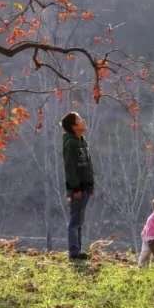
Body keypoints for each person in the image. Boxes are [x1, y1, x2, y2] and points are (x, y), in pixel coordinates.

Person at [61, 111, 95, 260]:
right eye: (79, 119)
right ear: (74, 126)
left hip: (85, 187)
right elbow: (70, 168)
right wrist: (75, 188)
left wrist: (90, 185)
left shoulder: (82, 141)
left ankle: (78, 250)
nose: (83, 121)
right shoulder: (71, 143)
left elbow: (88, 165)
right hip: (78, 188)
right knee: (75, 220)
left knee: (80, 220)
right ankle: (73, 252)